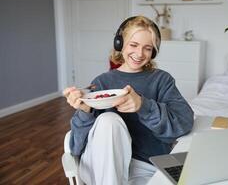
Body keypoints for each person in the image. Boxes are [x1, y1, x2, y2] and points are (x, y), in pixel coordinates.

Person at [63, 15, 194, 185]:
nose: (139, 53)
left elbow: (184, 123)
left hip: (146, 166)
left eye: (147, 48)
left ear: (153, 51)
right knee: (109, 119)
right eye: (133, 45)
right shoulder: (101, 82)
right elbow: (75, 146)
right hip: (101, 166)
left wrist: (143, 105)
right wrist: (85, 111)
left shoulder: (161, 80)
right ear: (120, 43)